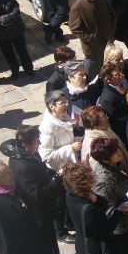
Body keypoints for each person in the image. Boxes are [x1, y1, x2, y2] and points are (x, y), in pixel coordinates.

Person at [0, 125, 66, 254]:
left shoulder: (31, 155)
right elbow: (37, 193)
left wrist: (53, 175)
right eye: (36, 142)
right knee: (44, 238)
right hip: (37, 210)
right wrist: (56, 179)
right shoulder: (22, 166)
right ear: (25, 145)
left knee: (50, 235)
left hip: (45, 207)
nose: (39, 145)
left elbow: (41, 171)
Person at [38, 90, 81, 245]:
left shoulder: (64, 118)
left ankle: (70, 223)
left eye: (65, 101)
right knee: (60, 204)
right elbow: (46, 155)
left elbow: (66, 140)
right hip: (58, 171)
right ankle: (62, 233)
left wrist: (77, 140)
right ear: (52, 106)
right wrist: (71, 148)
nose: (66, 105)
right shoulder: (48, 127)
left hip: (70, 167)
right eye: (62, 103)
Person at [68, 0, 116, 78]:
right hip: (93, 48)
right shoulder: (77, 7)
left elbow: (111, 14)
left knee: (110, 67)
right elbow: (74, 28)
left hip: (108, 41)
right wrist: (90, 38)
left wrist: (112, 29)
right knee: (93, 72)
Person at [80, 105, 128, 172]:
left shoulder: (105, 130)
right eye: (103, 117)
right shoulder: (94, 144)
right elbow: (98, 170)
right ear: (94, 124)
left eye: (105, 115)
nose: (107, 118)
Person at [97, 62, 128, 147]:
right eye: (117, 75)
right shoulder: (107, 98)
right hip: (125, 135)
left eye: (120, 73)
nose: (121, 76)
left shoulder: (119, 86)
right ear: (107, 79)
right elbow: (115, 121)